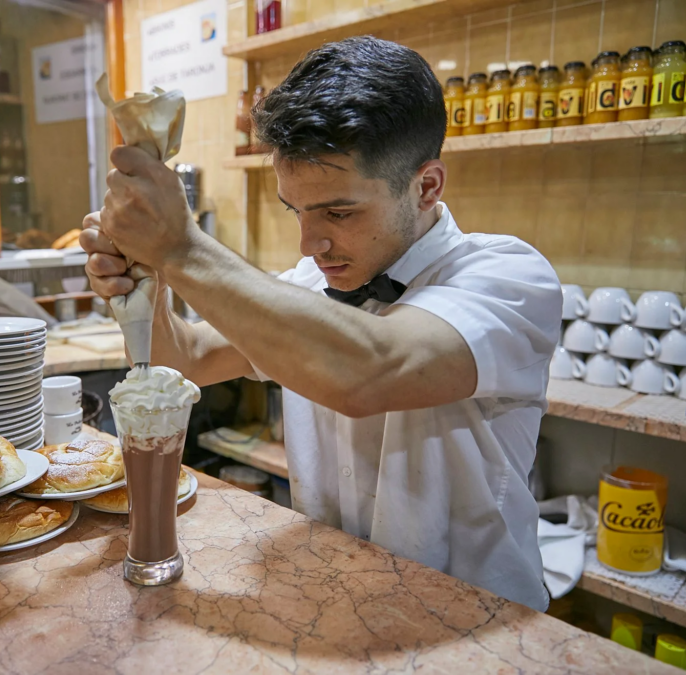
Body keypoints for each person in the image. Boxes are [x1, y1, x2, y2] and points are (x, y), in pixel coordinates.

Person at [81, 37, 562, 611]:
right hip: (337, 601)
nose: (311, 245)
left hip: (478, 619)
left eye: (339, 212)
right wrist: (149, 282)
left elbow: (371, 371)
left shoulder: (508, 275)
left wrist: (183, 248)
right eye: (297, 212)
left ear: (427, 186)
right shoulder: (314, 284)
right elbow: (185, 360)